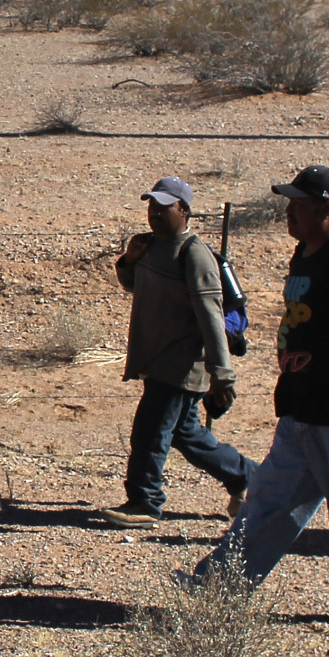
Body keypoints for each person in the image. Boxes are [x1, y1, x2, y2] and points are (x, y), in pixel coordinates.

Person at [184, 165, 329, 620]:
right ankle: (222, 585)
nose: (289, 212)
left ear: (326, 209)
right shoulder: (305, 253)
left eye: (298, 205)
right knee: (270, 499)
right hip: (302, 408)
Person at [102, 176, 253, 528]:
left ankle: (145, 502)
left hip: (182, 364)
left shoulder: (195, 254)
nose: (154, 214)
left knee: (150, 433)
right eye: (151, 207)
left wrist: (222, 373)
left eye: (163, 207)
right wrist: (129, 259)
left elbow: (212, 317)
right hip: (157, 359)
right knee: (188, 435)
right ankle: (249, 476)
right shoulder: (151, 246)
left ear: (184, 211)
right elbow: (133, 285)